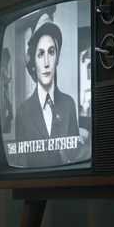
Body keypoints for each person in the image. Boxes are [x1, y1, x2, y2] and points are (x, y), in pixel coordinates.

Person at [14, 10, 81, 167]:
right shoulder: (22, 112)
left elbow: (76, 159)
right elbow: (21, 167)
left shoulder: (69, 104)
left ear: (57, 58)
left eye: (51, 52)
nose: (46, 62)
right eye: (40, 54)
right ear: (34, 62)